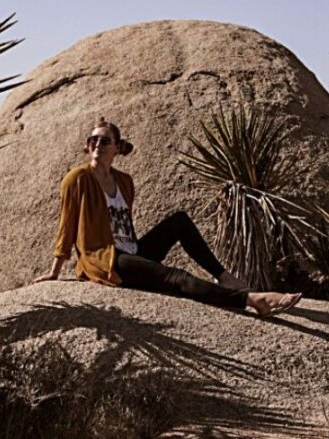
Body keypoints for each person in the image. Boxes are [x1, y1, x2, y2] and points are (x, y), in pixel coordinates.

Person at [33, 117, 302, 317]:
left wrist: (140, 255)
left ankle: (223, 275)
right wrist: (54, 271)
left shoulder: (124, 181)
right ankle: (253, 300)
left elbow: (124, 224)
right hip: (107, 259)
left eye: (104, 140)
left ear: (117, 148)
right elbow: (66, 226)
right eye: (93, 140)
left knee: (180, 221)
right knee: (176, 277)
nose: (97, 145)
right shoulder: (77, 179)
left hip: (132, 251)